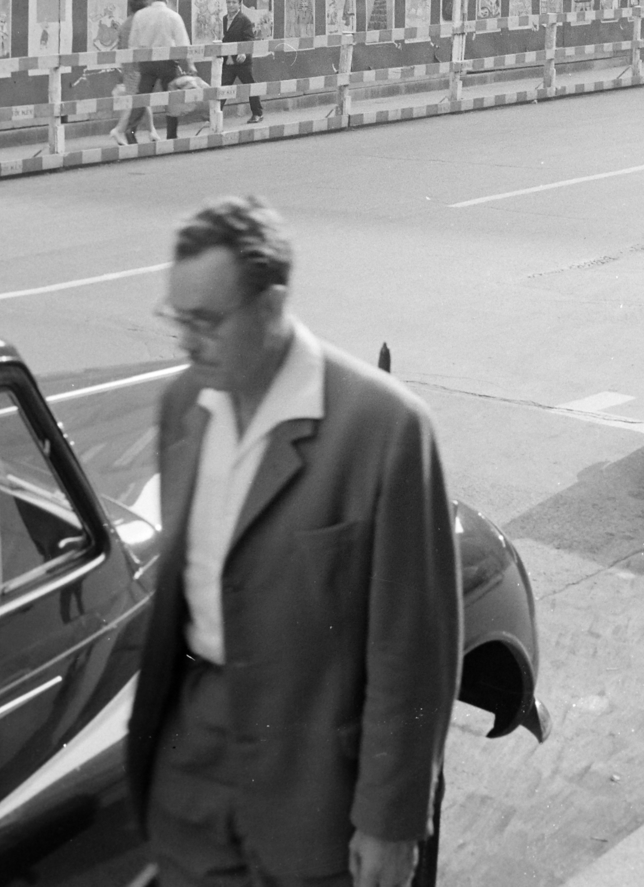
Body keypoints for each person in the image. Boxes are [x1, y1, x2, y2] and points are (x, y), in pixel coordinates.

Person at [128, 196, 461, 887]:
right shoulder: (181, 407)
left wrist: (391, 821)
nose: (187, 342)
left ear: (270, 305)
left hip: (317, 799)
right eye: (176, 318)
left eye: (206, 322)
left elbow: (412, 650)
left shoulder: (383, 429)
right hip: (192, 774)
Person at [119, 0, 188, 143]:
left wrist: (135, 62)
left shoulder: (140, 15)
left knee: (142, 96)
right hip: (168, 62)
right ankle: (172, 134)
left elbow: (133, 43)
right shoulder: (173, 16)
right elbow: (183, 43)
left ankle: (131, 129)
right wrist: (189, 64)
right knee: (171, 97)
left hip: (147, 62)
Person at [111, 0, 155, 146]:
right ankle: (119, 129)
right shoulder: (138, 22)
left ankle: (152, 131)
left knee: (143, 98)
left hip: (130, 68)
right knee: (135, 102)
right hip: (136, 68)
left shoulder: (127, 23)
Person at [221, 0, 264, 126]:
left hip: (242, 61)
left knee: (250, 85)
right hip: (229, 60)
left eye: (234, 2)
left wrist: (244, 53)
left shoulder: (244, 20)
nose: (231, 5)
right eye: (228, 2)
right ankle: (215, 113)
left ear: (239, 4)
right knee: (223, 86)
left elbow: (249, 40)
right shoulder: (224, 19)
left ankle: (257, 113)